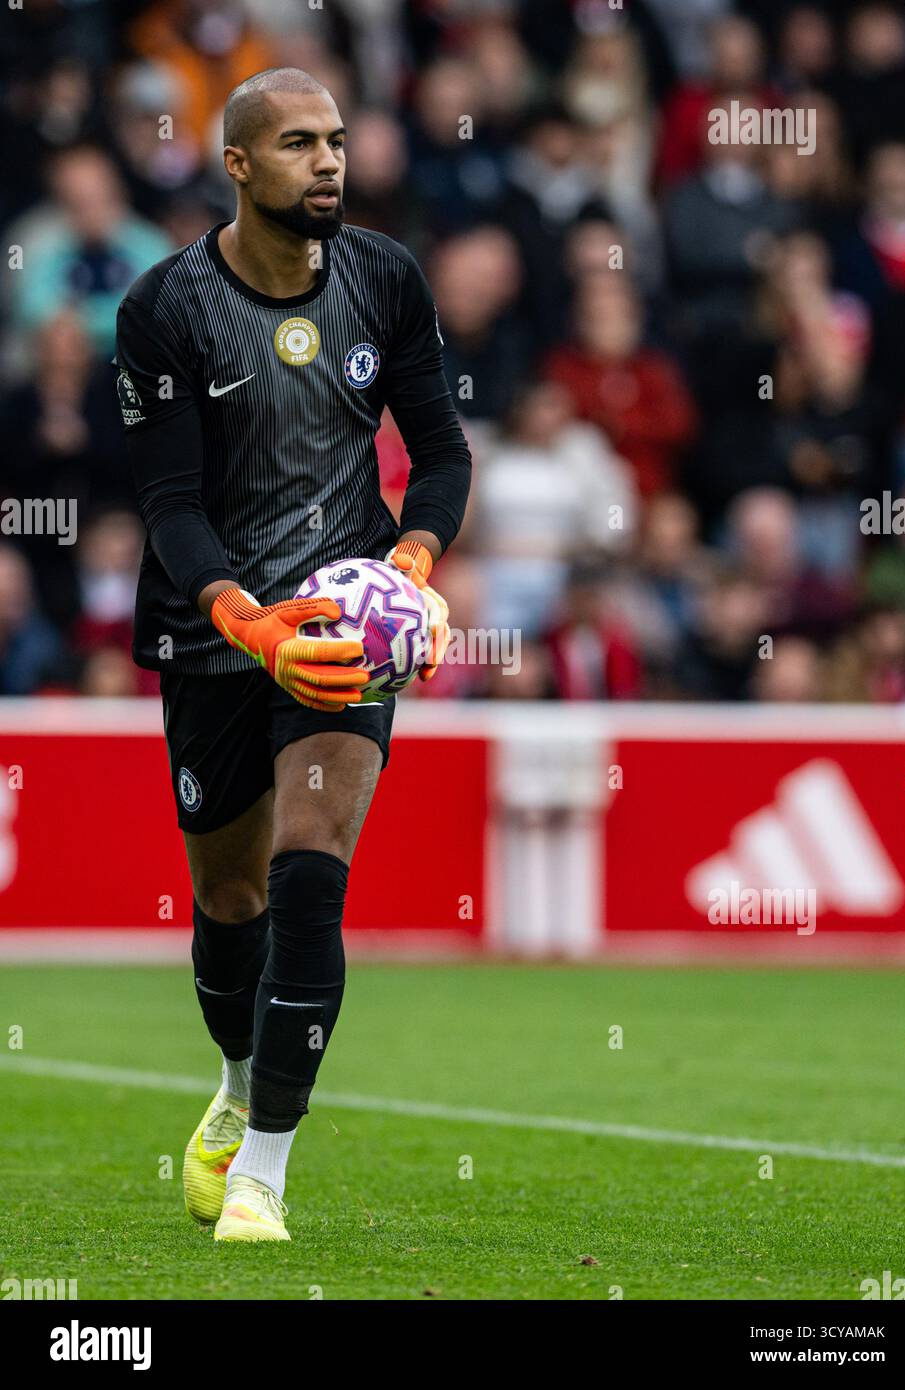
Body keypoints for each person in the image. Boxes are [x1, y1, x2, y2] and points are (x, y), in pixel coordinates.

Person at [114, 68, 471, 1242]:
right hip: (217, 630)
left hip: (338, 638)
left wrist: (410, 558)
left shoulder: (386, 277)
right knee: (231, 895)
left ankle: (262, 1169)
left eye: (336, 141)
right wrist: (242, 618)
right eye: (299, 145)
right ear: (237, 166)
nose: (328, 161)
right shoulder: (165, 306)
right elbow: (169, 504)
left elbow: (441, 451)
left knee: (313, 869)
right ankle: (234, 1077)